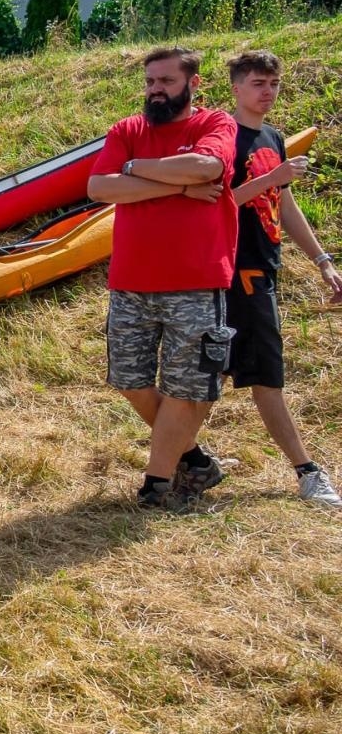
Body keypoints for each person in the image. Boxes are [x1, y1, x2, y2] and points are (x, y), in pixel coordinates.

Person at [87, 46, 239, 511]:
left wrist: (135, 170)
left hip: (196, 280)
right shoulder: (128, 129)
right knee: (129, 379)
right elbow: (99, 188)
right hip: (132, 280)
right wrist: (181, 187)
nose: (156, 90)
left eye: (166, 81)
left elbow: (208, 167)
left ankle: (156, 485)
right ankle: (193, 458)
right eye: (151, 81)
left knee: (185, 386)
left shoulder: (215, 125)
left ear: (193, 83)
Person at [219, 50, 342, 508]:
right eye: (257, 83)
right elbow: (214, 206)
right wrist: (273, 174)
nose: (267, 92)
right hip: (237, 272)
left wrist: (323, 260)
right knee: (265, 373)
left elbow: (284, 205)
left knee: (211, 373)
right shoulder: (223, 139)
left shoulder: (272, 135)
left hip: (265, 269)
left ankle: (185, 460)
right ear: (236, 87)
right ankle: (307, 471)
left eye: (273, 83)